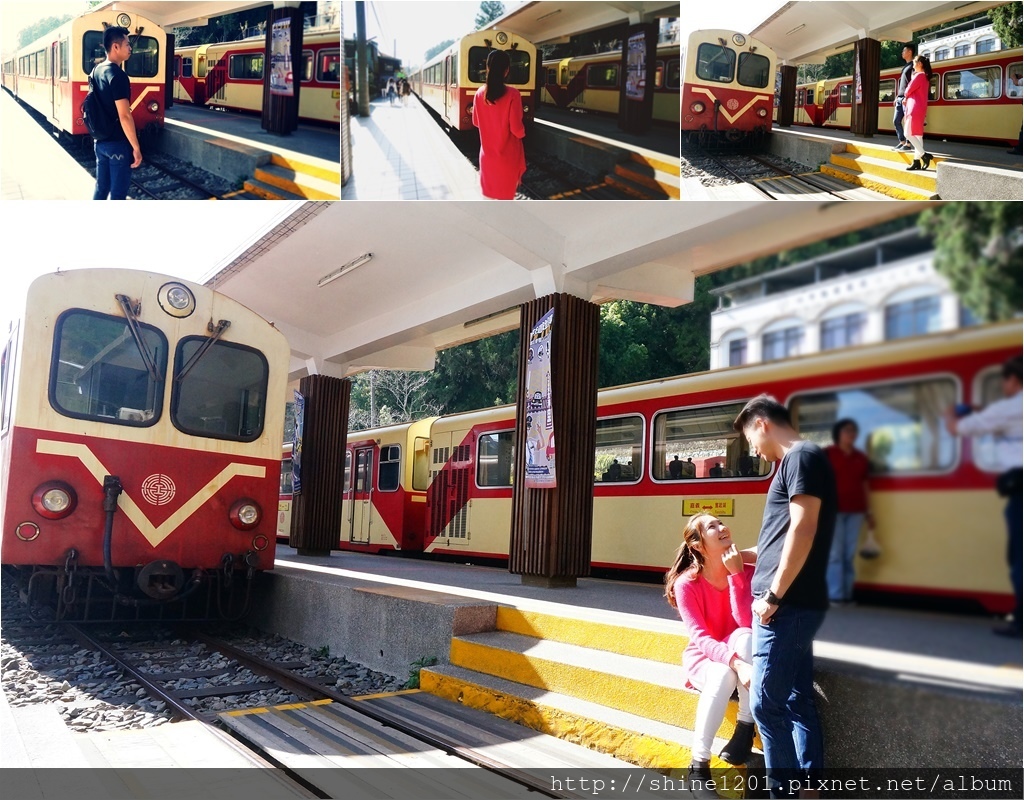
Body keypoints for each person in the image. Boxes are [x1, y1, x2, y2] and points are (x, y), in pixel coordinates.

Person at [732, 395, 837, 798]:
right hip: (792, 603)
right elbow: (783, 540)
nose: (754, 450)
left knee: (766, 706)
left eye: (750, 440)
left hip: (785, 606)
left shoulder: (799, 457)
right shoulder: (800, 461)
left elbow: (803, 530)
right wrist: (744, 557)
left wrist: (773, 596)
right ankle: (808, 789)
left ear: (761, 423)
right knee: (795, 699)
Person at [665, 514, 757, 798]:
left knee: (747, 637)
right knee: (722, 672)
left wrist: (737, 575)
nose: (722, 527)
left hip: (738, 647)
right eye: (712, 526)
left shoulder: (746, 571)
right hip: (704, 658)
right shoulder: (686, 584)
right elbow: (701, 638)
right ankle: (699, 767)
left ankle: (744, 728)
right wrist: (737, 663)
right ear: (698, 545)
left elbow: (745, 623)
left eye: (721, 522)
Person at [945, 355, 1023, 637]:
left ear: (1013, 380)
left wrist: (949, 413)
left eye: (1005, 381)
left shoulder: (1011, 406)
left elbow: (957, 428)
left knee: (1020, 558)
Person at [90, 26, 143, 200]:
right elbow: (124, 115)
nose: (130, 48)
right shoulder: (118, 75)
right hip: (117, 144)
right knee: (118, 194)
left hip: (100, 142)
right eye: (127, 44)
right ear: (115, 47)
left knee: (101, 188)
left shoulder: (96, 70)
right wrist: (136, 147)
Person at [824, 418, 873, 605]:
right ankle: (835, 595)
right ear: (838, 433)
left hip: (856, 511)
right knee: (835, 554)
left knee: (848, 555)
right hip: (833, 511)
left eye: (853, 431)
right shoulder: (828, 454)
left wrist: (869, 512)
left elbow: (865, 484)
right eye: (847, 431)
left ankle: (846, 595)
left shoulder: (861, 457)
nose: (851, 434)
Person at [471, 49, 526, 200]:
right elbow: (517, 130)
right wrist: (523, 132)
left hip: (487, 158)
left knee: (488, 202)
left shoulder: (479, 93)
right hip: (507, 160)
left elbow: (476, 122)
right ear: (507, 70)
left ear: (487, 68)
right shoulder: (513, 94)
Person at [903, 55, 934, 171]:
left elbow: (907, 90)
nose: (913, 65)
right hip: (920, 109)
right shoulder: (925, 77)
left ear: (920, 64)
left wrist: (906, 96)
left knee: (907, 134)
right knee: (918, 136)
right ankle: (916, 161)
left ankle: (924, 155)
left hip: (913, 108)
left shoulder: (918, 76)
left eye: (914, 62)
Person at [892, 44, 915, 151]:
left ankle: (908, 144)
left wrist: (907, 96)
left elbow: (912, 84)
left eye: (904, 51)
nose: (902, 53)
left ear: (909, 52)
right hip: (900, 98)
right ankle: (902, 142)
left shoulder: (913, 66)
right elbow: (903, 83)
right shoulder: (905, 67)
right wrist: (898, 96)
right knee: (896, 121)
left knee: (907, 122)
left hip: (907, 98)